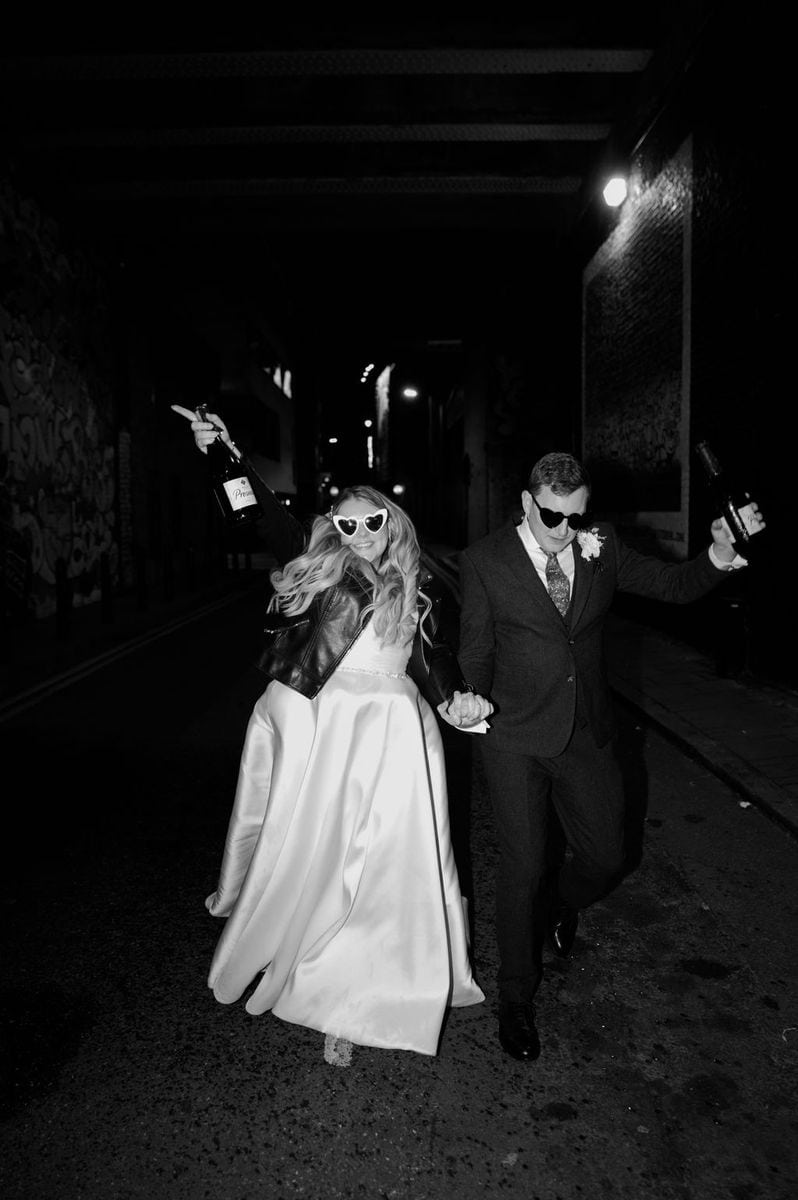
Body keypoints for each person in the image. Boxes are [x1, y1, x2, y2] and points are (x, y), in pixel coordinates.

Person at [172, 405, 491, 1065]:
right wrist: (225, 454)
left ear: (391, 523)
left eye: (372, 522)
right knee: (327, 861)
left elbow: (432, 656)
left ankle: (371, 985)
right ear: (334, 528)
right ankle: (326, 989)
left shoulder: (419, 583)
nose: (361, 533)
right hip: (331, 726)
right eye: (348, 524)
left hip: (397, 731)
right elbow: (262, 515)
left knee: (390, 865)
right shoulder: (318, 560)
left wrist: (456, 698)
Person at [457, 451, 765, 1063]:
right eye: (552, 517)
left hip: (586, 731)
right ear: (527, 503)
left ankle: (560, 903)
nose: (565, 530)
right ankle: (516, 998)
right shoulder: (485, 561)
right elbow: (476, 649)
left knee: (607, 856)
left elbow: (674, 586)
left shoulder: (602, 545)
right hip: (513, 734)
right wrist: (470, 697)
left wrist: (719, 552)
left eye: (576, 517)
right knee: (523, 866)